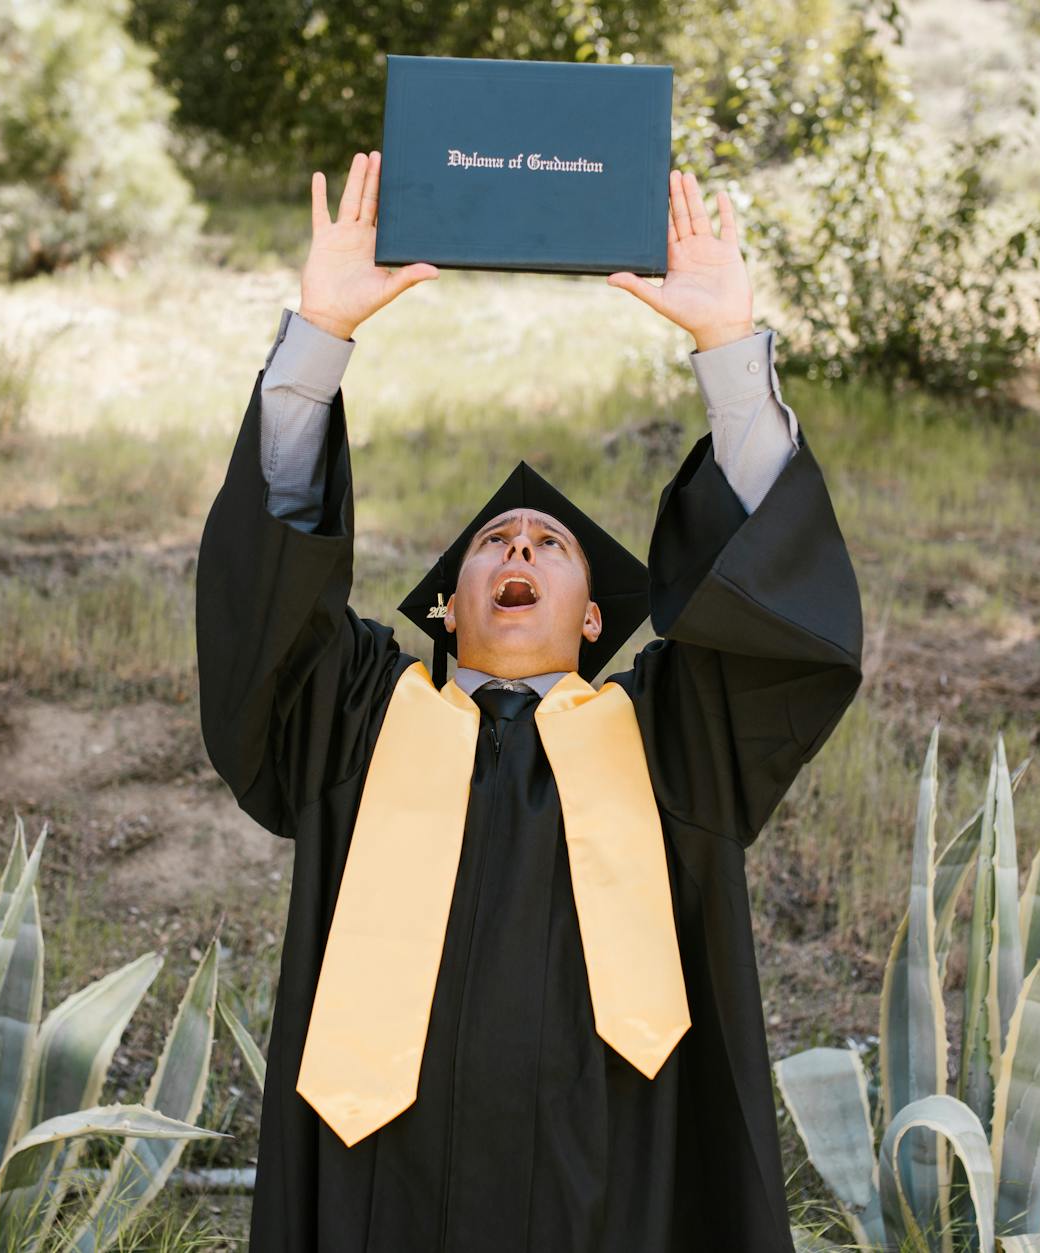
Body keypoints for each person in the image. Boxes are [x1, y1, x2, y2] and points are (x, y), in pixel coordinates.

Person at [197, 149, 864, 1253]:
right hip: (382, 1190)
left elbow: (781, 637)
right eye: (491, 543)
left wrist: (727, 355)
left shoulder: (664, 739)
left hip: (613, 1186)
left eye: (547, 543)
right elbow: (256, 615)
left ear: (594, 616)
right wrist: (316, 344)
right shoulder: (356, 715)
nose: (515, 545)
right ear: (446, 607)